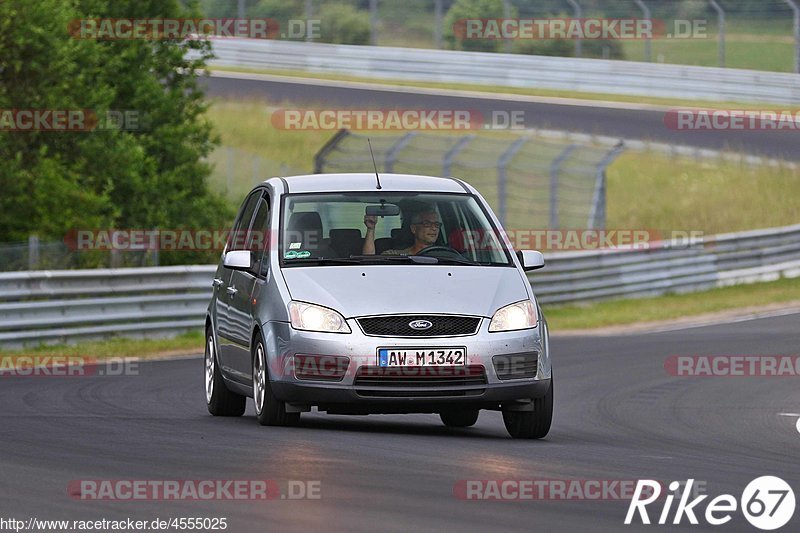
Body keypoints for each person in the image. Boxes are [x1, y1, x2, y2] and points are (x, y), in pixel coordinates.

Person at [362, 208, 442, 255]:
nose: (434, 228)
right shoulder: (395, 255)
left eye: (437, 224)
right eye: (427, 224)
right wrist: (371, 229)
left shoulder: (448, 257)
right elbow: (368, 263)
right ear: (414, 228)